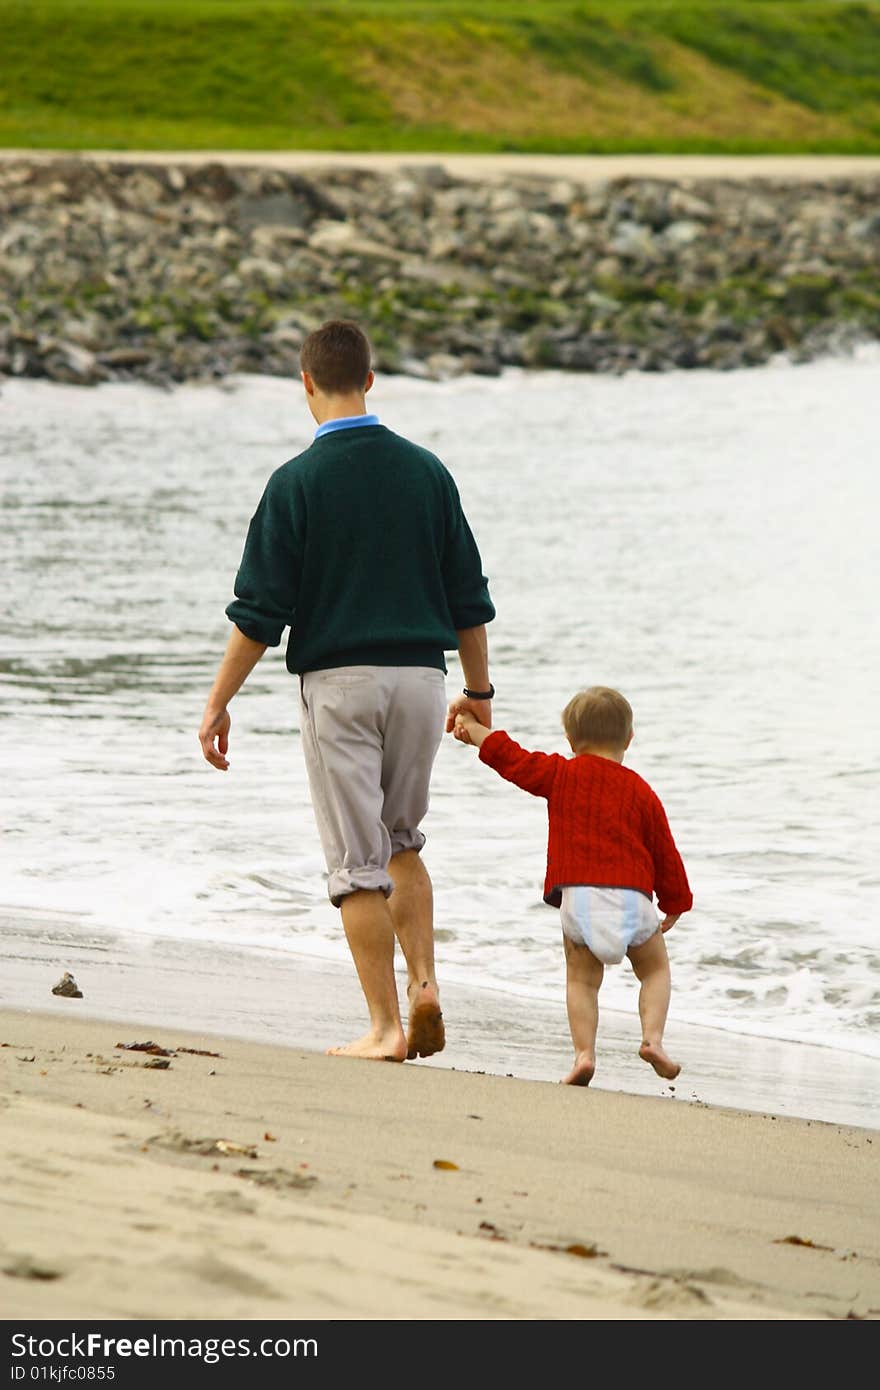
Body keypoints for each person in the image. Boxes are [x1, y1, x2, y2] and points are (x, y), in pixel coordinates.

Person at [198, 320, 495, 1063]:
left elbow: (260, 614)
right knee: (400, 841)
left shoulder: (296, 482)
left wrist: (217, 702)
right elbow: (469, 598)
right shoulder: (427, 471)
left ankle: (386, 1028)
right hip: (424, 680)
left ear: (306, 384)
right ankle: (425, 982)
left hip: (340, 684)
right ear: (371, 378)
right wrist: (480, 692)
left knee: (356, 864)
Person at [452, 686, 692, 1086]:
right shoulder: (641, 791)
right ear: (629, 740)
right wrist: (676, 902)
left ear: (569, 740)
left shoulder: (561, 773)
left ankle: (584, 1055)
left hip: (579, 901)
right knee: (654, 971)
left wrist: (474, 729)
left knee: (581, 981)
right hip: (633, 898)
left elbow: (513, 760)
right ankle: (653, 1040)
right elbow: (665, 850)